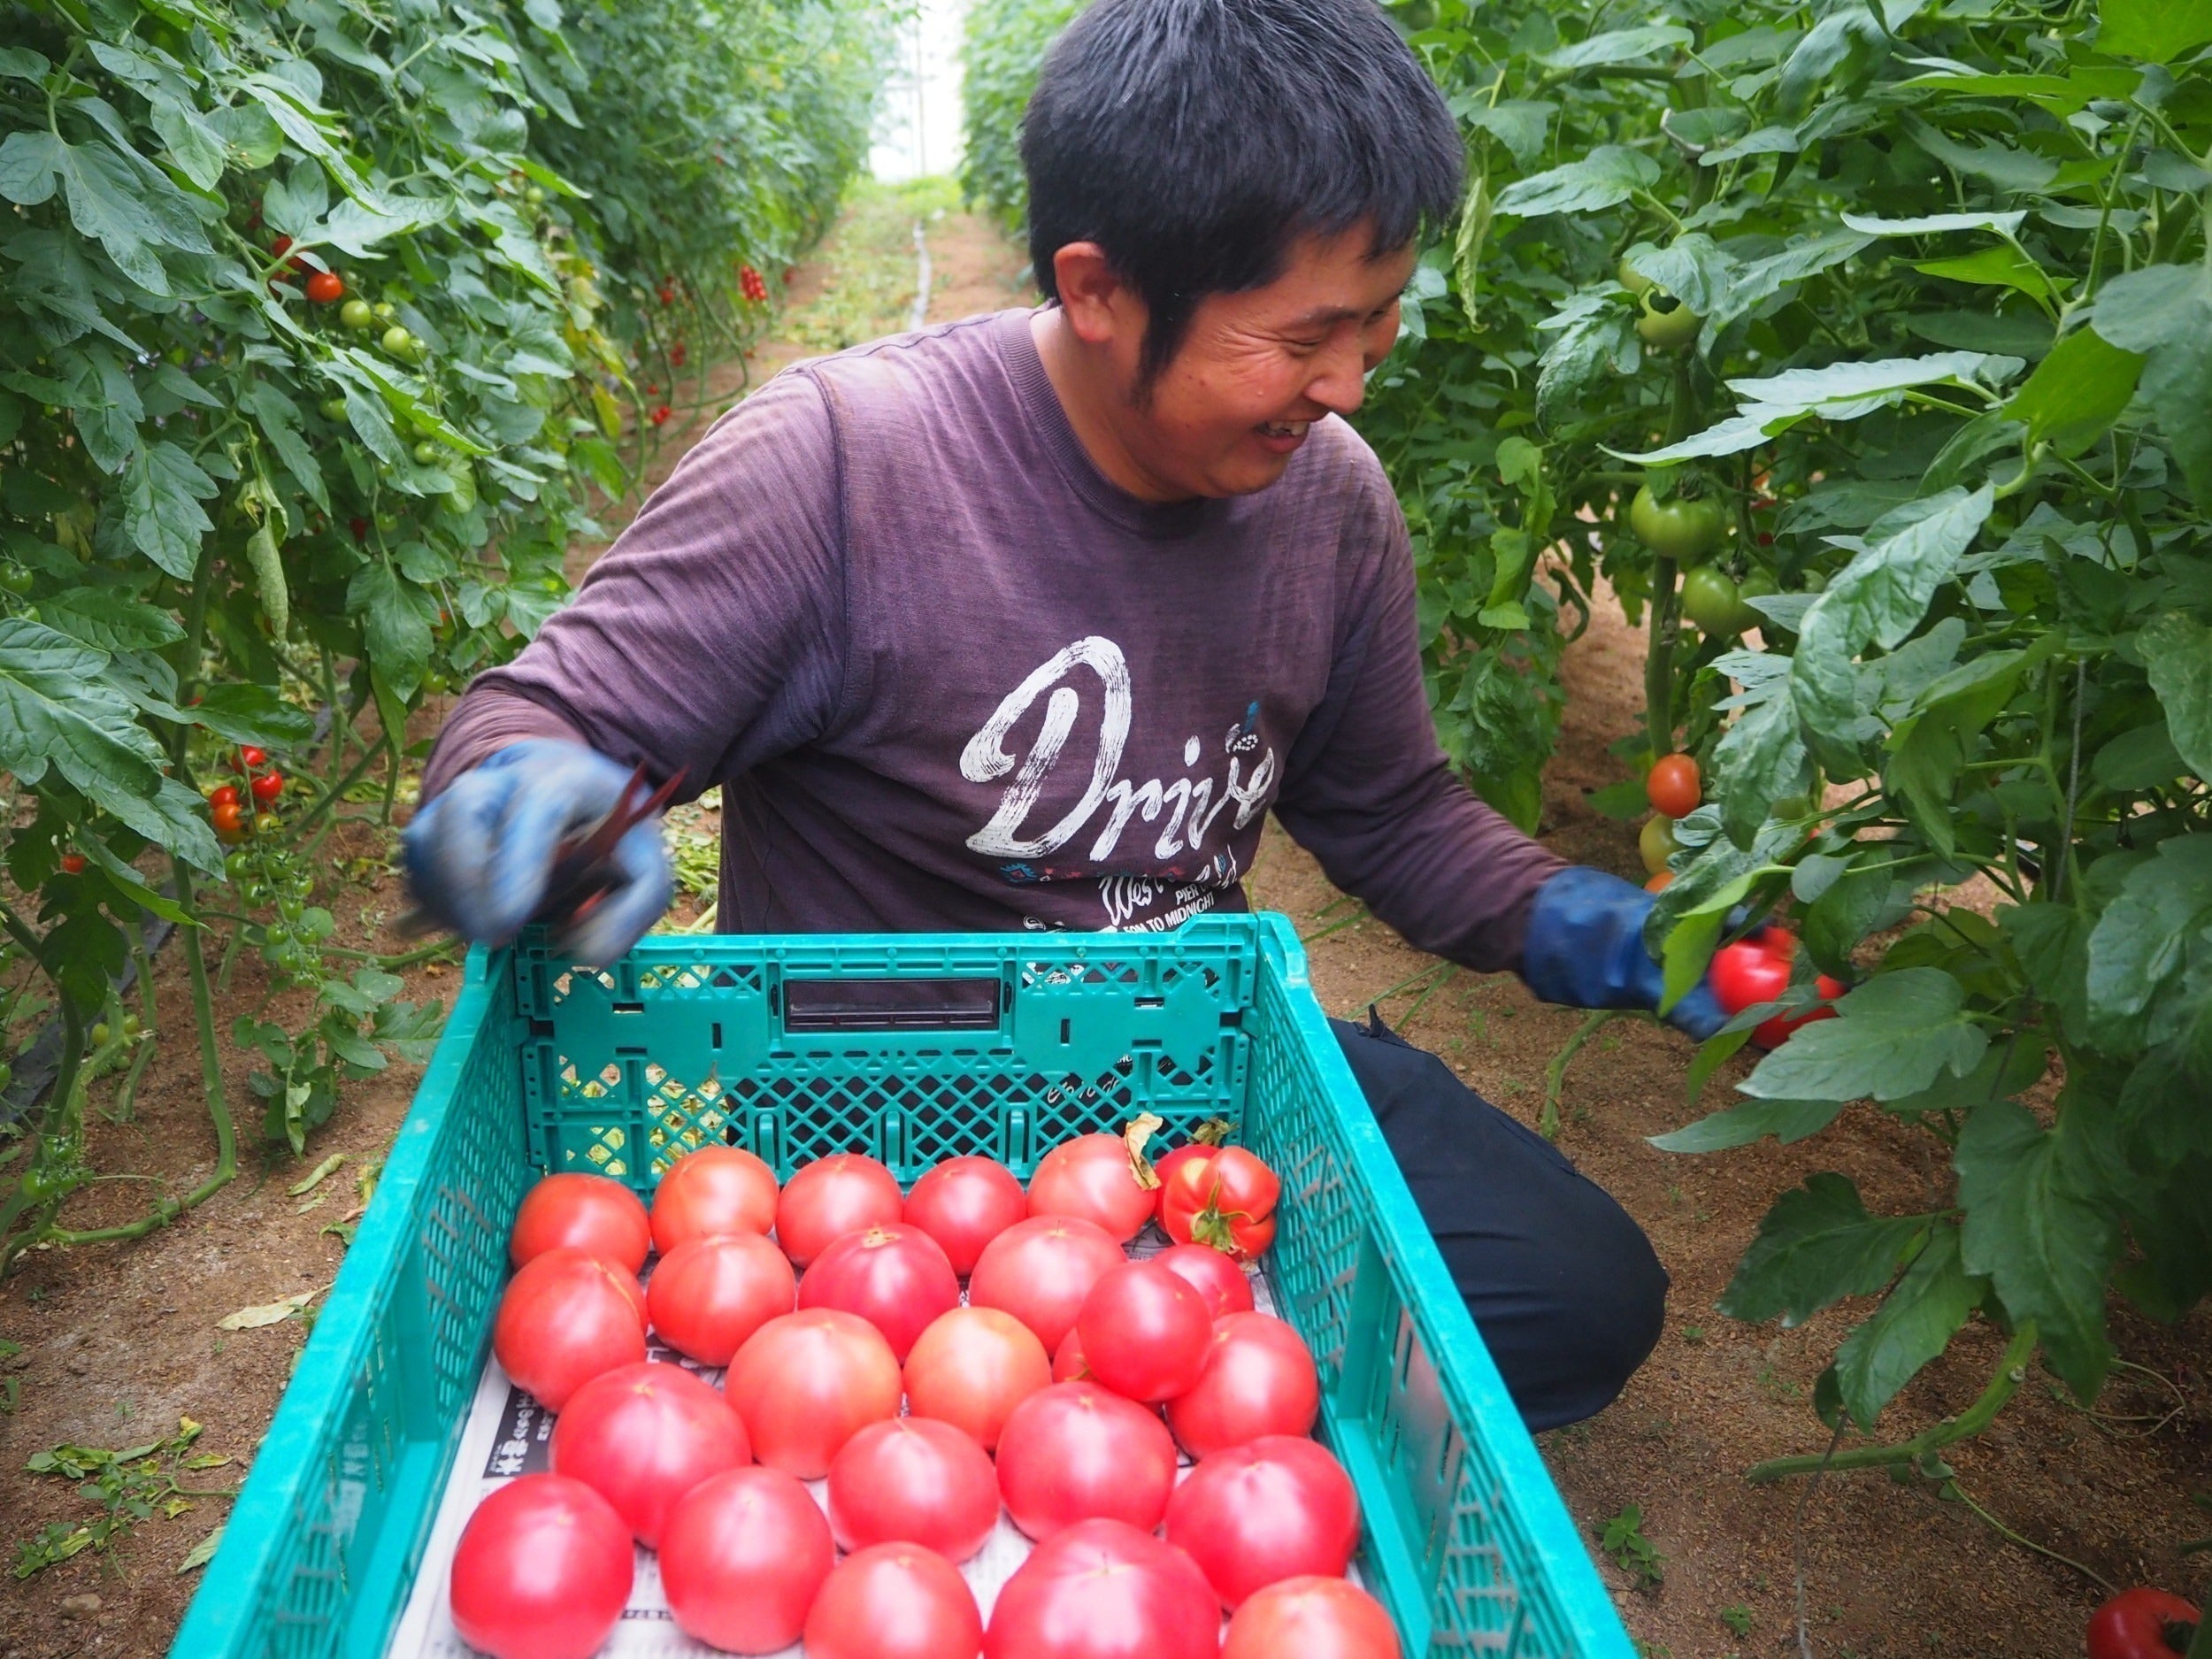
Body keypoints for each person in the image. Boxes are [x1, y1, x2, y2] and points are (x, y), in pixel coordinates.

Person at [406, 0, 1724, 1432]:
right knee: (974, 1376)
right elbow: (547, 714)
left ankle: (1130, 1396)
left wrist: (1613, 937)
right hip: (892, 1139)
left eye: (1381, 320)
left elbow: (1393, 809)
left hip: (1185, 1084)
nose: (1346, 385)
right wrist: (528, 800)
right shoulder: (846, 465)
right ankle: (1147, 1395)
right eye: (1304, 336)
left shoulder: (1327, 499)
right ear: (1099, 289)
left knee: (1573, 1292)